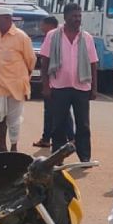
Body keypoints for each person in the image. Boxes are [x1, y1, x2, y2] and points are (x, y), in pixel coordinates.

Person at [38, 2, 98, 162]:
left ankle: (85, 158)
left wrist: (94, 88)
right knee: (58, 125)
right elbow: (44, 62)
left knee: (83, 125)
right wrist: (46, 86)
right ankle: (58, 158)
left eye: (79, 16)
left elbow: (93, 63)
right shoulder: (53, 35)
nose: (77, 19)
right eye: (74, 16)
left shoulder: (87, 38)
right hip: (58, 86)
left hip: (82, 87)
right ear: (65, 17)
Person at [0, 5, 36, 153]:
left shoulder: (21, 36)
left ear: (9, 19)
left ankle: (14, 147)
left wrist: (24, 77)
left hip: (15, 84)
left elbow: (30, 59)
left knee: (13, 119)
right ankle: (2, 146)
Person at [32, 15, 69, 148]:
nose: (41, 27)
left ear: (50, 25)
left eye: (42, 25)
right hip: (56, 81)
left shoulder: (53, 36)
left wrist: (46, 83)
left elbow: (45, 61)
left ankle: (68, 138)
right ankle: (47, 138)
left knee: (57, 113)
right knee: (54, 112)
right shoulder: (56, 36)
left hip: (56, 82)